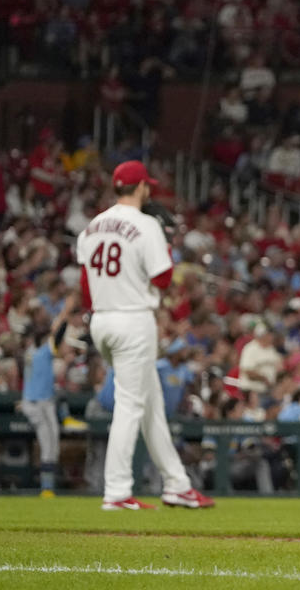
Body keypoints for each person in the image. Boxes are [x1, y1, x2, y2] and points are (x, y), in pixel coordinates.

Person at [76, 160, 214, 511]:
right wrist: (164, 245)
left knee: (149, 400)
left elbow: (85, 287)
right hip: (133, 321)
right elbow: (163, 279)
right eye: (147, 185)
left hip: (102, 320)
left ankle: (177, 484)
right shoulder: (146, 223)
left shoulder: (92, 225)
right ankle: (118, 492)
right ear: (141, 188)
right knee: (131, 405)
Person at [20, 293, 76, 498]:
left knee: (51, 444)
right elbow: (58, 334)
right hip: (39, 403)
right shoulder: (41, 352)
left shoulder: (31, 352)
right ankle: (46, 488)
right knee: (49, 445)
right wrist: (66, 312)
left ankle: (47, 487)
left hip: (37, 401)